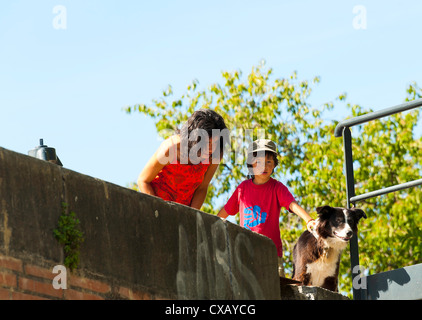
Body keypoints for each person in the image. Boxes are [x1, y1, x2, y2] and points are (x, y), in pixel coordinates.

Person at [217, 138, 316, 277]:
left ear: (274, 164)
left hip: (271, 254)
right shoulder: (242, 189)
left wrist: (309, 220)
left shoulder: (277, 188)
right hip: (245, 253)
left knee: (274, 291)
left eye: (268, 162)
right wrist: (211, 225)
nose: (263, 166)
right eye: (258, 162)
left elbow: (292, 205)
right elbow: (226, 211)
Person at [138, 109, 229, 210]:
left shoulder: (215, 154)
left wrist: (192, 216)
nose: (211, 148)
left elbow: (202, 188)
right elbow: (143, 180)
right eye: (207, 143)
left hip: (182, 213)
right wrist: (157, 210)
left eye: (215, 143)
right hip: (156, 206)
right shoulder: (171, 148)